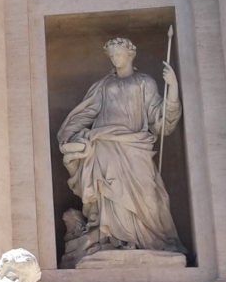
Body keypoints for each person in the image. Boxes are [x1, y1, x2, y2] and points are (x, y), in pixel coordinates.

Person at [57, 37, 183, 259]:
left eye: (120, 54)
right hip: (104, 145)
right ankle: (113, 239)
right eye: (112, 55)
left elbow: (161, 120)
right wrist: (67, 136)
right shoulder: (104, 86)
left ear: (130, 55)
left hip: (136, 146)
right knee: (109, 193)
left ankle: (150, 241)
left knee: (149, 197)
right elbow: (86, 113)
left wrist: (172, 87)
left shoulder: (145, 82)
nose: (116, 59)